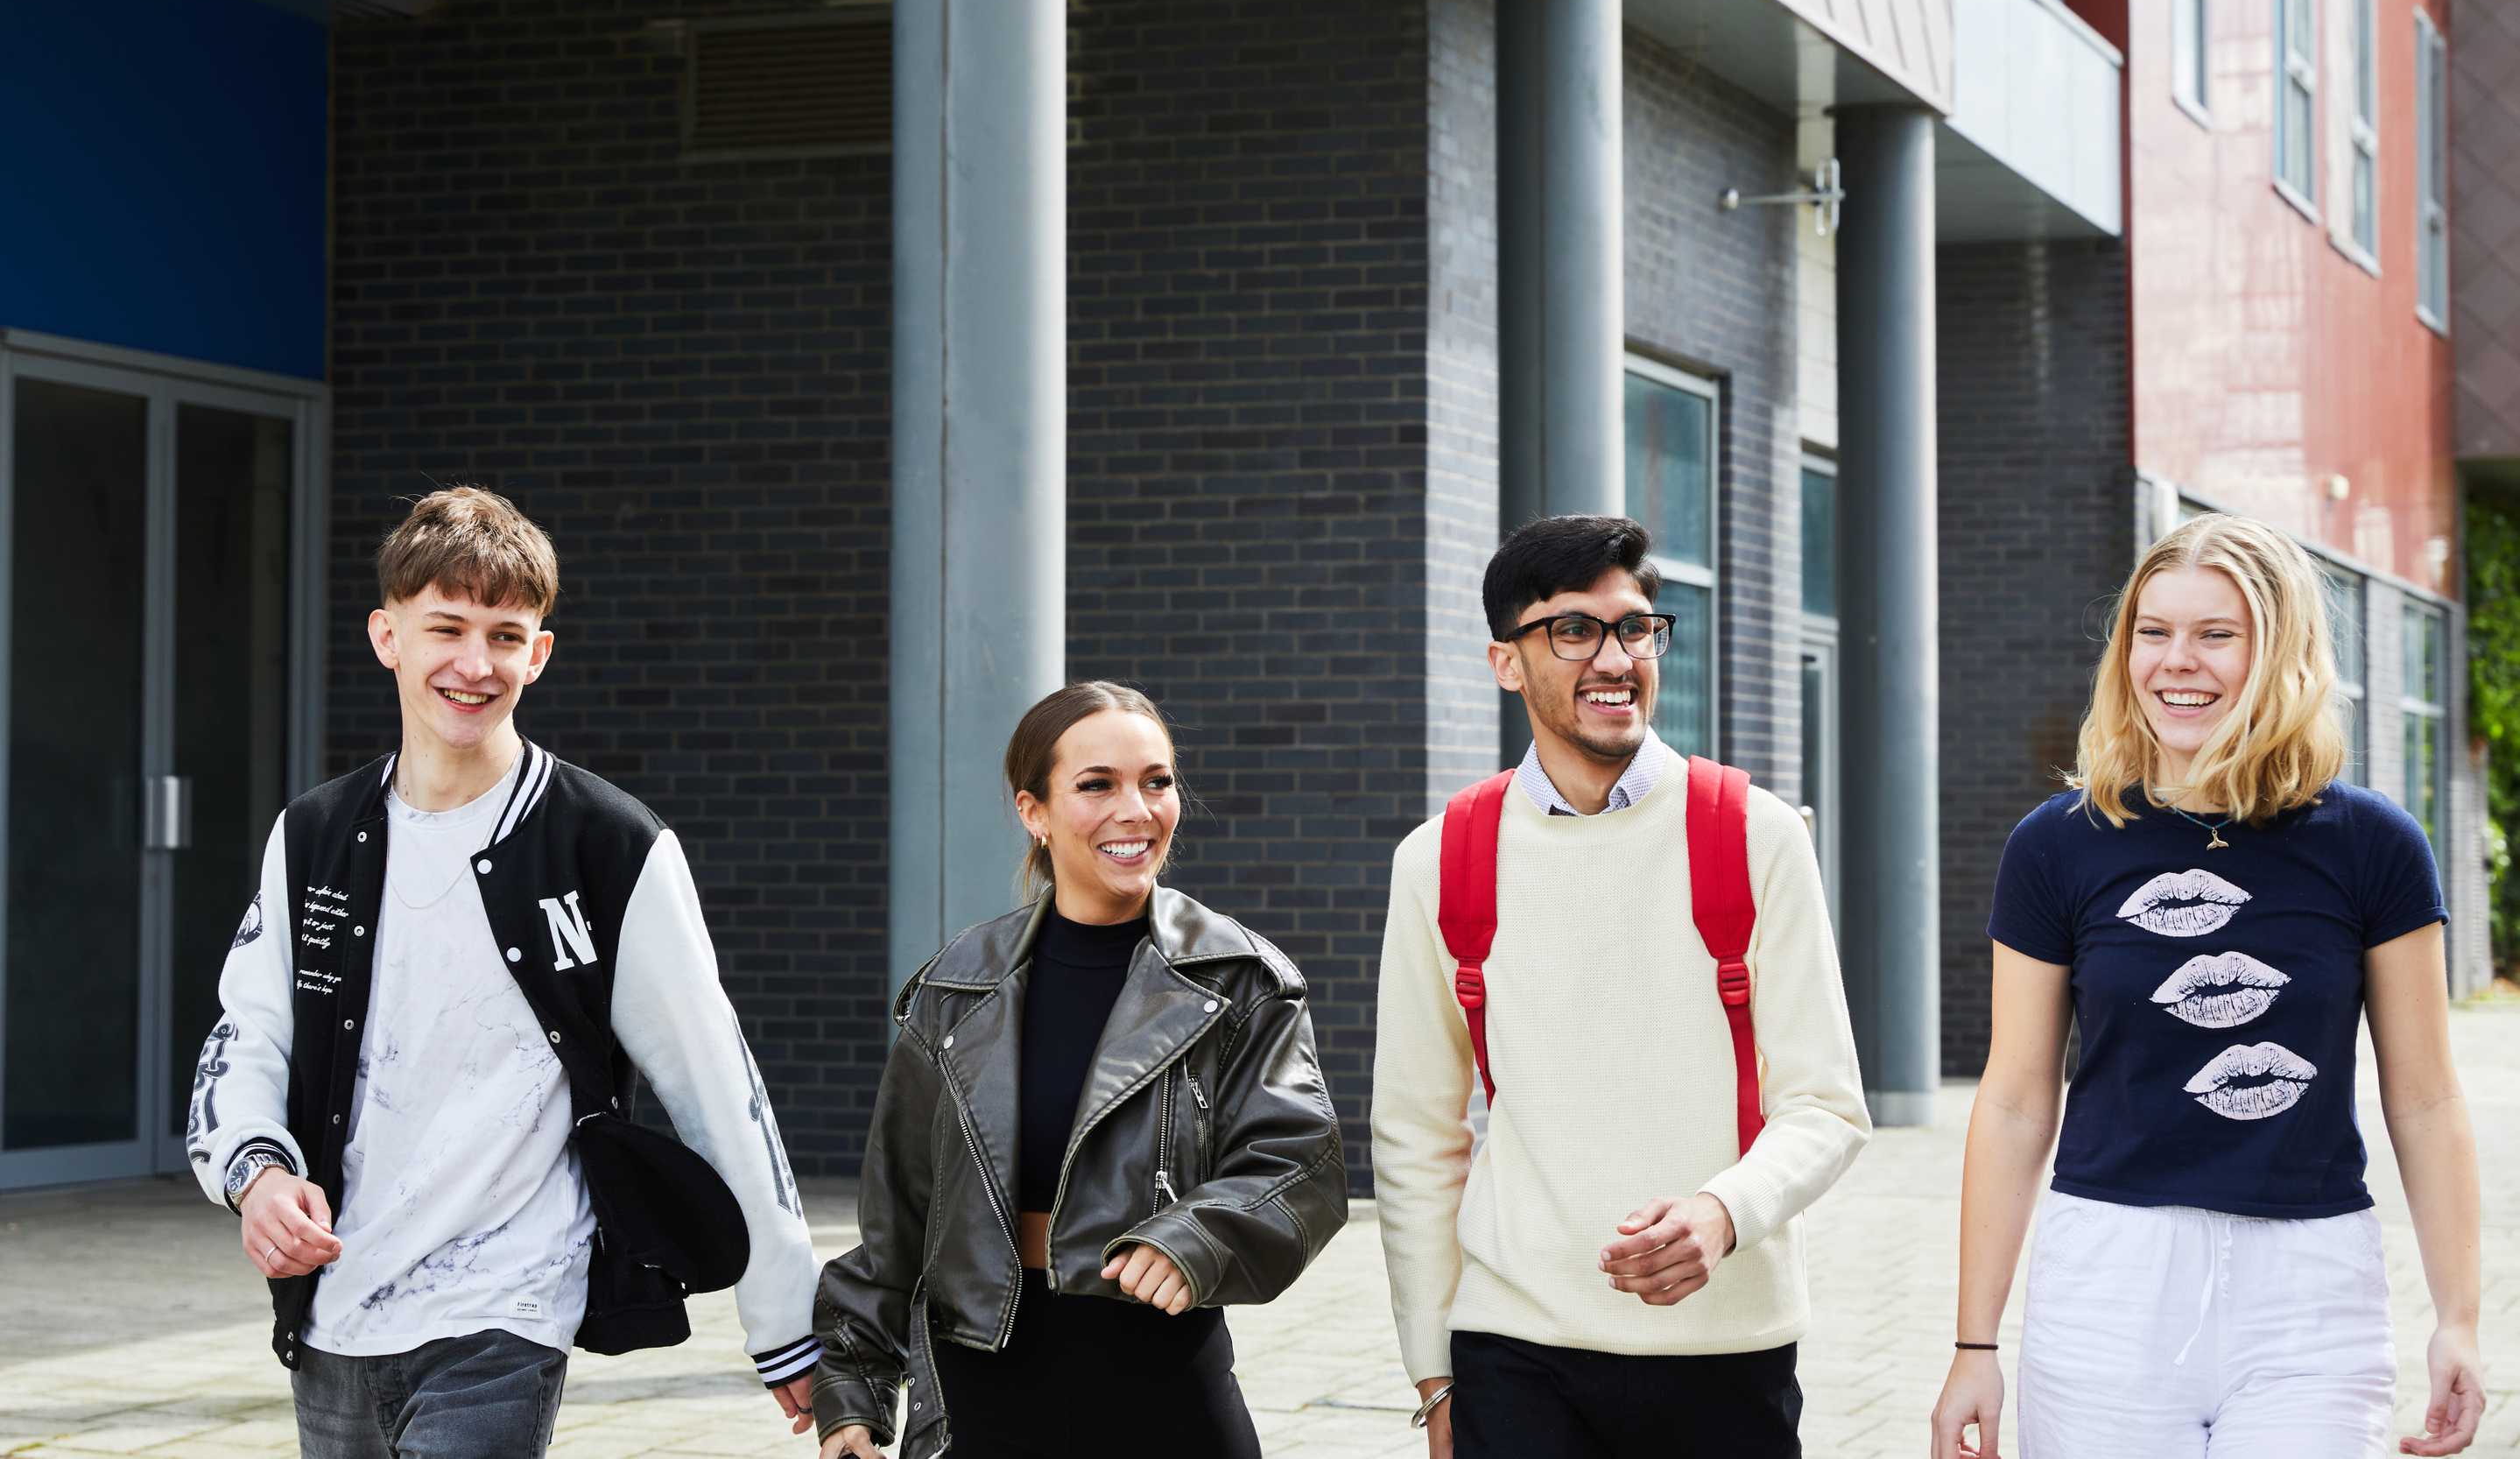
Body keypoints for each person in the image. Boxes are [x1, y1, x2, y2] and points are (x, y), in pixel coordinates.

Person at [184, 486, 821, 1457]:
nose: (475, 664)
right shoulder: (314, 834)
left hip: (508, 1309)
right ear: (386, 635)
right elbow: (251, 1030)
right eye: (445, 626)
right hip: (336, 1309)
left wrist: (788, 1325)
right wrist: (257, 1173)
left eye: (505, 634)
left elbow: (716, 1085)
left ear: (540, 652)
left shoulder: (608, 844)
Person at [1929, 512, 2487, 1459]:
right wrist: (1973, 1344)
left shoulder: (2372, 844)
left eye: (2214, 633)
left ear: (2280, 651)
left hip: (2310, 1290)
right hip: (2109, 1280)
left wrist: (2459, 1317)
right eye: (2153, 631)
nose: (2175, 661)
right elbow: (2018, 1099)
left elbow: (2426, 1098)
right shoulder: (2056, 843)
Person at [1372, 513, 1871, 1459]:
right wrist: (1433, 1371)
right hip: (1512, 1353)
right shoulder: (1441, 859)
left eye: (1634, 626)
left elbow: (1826, 1105)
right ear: (1505, 661)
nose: (1614, 656)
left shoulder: (1754, 833)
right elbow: (1413, 1131)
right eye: (1573, 629)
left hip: (1725, 1347)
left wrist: (1725, 1210)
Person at [810, 680, 1348, 1459]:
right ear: (1034, 811)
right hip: (983, 1383)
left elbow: (1301, 1163)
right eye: (1098, 785)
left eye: (1156, 781)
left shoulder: (1239, 978)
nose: (1137, 809)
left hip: (1165, 1377)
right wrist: (853, 1390)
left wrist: (1196, 1235)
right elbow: (897, 1213)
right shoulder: (956, 986)